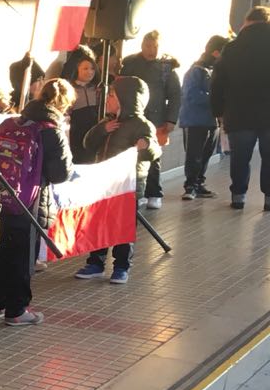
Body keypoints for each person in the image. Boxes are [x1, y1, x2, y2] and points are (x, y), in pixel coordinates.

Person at [0, 79, 74, 326]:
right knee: (23, 256)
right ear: (64, 105)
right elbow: (61, 174)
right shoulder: (51, 130)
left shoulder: (12, 122)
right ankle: (17, 310)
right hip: (28, 202)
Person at [74, 76, 160, 284]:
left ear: (126, 99)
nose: (108, 99)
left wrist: (147, 145)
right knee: (99, 224)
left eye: (112, 95)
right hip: (104, 184)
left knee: (123, 227)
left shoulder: (142, 125)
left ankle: (121, 266)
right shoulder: (108, 122)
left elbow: (155, 151)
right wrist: (102, 130)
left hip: (127, 186)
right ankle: (96, 262)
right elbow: (88, 143)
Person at [210, 7, 270, 210]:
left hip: (239, 112)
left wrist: (218, 111)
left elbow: (217, 82)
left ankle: (238, 196)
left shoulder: (232, 48)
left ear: (247, 21)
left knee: (240, 157)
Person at [120, 31, 181, 209]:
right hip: (132, 117)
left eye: (155, 46)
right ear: (142, 45)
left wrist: (171, 119)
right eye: (148, 46)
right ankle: (135, 192)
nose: (151, 50)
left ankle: (154, 193)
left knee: (154, 157)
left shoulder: (167, 67)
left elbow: (175, 95)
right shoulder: (130, 63)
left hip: (157, 118)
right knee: (131, 155)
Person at [179, 35, 230, 200]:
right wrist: (216, 99)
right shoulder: (196, 71)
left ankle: (199, 183)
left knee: (206, 154)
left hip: (211, 121)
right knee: (194, 154)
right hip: (195, 121)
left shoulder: (214, 70)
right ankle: (190, 186)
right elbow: (192, 94)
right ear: (216, 52)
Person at [61, 45, 101, 163]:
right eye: (85, 68)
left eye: (92, 68)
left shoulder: (98, 89)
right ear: (77, 69)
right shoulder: (69, 89)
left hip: (94, 130)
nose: (90, 72)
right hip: (76, 131)